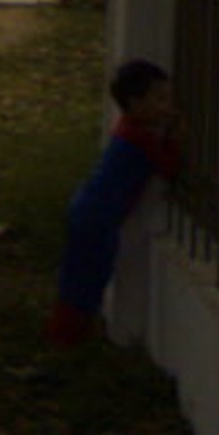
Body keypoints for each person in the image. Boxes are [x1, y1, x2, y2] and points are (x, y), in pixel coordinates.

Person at [46, 58, 181, 348]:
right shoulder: (139, 139)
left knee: (81, 273)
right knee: (88, 275)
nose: (166, 106)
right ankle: (69, 335)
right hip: (99, 216)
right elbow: (168, 166)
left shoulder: (127, 131)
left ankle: (69, 331)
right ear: (135, 102)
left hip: (92, 210)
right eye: (159, 99)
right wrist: (174, 139)